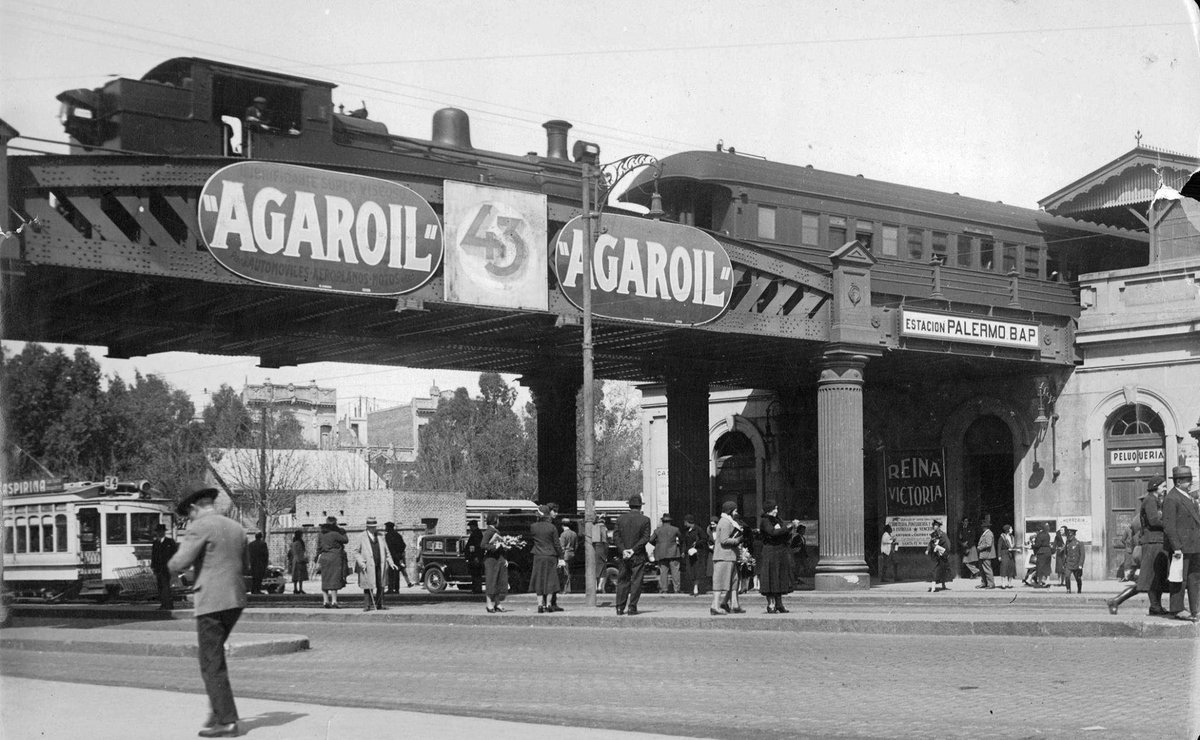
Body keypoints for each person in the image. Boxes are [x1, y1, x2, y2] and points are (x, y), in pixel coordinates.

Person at [167, 483, 247, 738]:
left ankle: (227, 720)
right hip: (235, 599)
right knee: (215, 659)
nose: (188, 519)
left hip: (211, 601)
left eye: (188, 514)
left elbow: (180, 561)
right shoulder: (237, 527)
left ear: (193, 508)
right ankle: (217, 711)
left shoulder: (200, 526)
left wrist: (173, 568)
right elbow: (242, 563)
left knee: (210, 662)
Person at [1107, 476, 1169, 615]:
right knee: (1146, 580)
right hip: (1152, 543)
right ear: (1155, 486)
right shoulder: (1150, 500)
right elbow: (1153, 521)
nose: (1165, 489)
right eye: (1163, 486)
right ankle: (1115, 601)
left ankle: (1155, 607)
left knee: (1154, 578)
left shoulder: (1154, 500)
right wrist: (1169, 524)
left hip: (1156, 542)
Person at [1161, 465, 1200, 622]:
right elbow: (1169, 526)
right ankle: (1177, 609)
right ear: (1178, 482)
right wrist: (1176, 547)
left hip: (1194, 545)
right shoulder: (1172, 498)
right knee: (1179, 579)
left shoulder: (1188, 497)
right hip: (1181, 548)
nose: (1190, 483)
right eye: (1187, 480)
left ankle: (1195, 609)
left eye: (1190, 479)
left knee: (1194, 578)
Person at [613, 494, 652, 616]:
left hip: (623, 556)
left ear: (629, 506)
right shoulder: (645, 520)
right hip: (638, 555)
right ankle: (632, 607)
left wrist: (624, 549)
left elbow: (616, 536)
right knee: (636, 581)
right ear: (640, 507)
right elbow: (645, 538)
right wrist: (633, 550)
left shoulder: (620, 519)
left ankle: (619, 607)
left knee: (622, 580)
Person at [757, 501, 797, 613]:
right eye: (774, 508)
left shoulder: (778, 519)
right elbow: (773, 532)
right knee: (771, 578)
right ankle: (771, 605)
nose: (776, 511)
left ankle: (779, 604)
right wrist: (788, 527)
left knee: (779, 577)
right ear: (769, 509)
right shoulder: (765, 521)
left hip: (780, 552)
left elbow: (783, 532)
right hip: (770, 552)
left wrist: (790, 529)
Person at [353, 516, 396, 611]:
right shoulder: (361, 537)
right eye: (371, 527)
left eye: (374, 527)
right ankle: (367, 605)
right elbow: (356, 552)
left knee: (381, 584)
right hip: (367, 564)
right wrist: (361, 562)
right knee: (368, 585)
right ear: (367, 527)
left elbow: (387, 551)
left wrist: (391, 562)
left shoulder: (381, 536)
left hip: (380, 563)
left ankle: (380, 604)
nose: (373, 528)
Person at [710, 501, 746, 614]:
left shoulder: (729, 521)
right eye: (735, 510)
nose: (736, 512)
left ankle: (734, 604)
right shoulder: (725, 522)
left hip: (729, 556)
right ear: (730, 511)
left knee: (733, 581)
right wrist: (738, 540)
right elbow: (724, 540)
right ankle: (715, 606)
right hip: (723, 556)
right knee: (720, 582)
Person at [528, 505, 565, 613]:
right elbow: (557, 544)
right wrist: (561, 557)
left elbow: (532, 540)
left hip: (538, 556)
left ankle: (540, 605)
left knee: (539, 580)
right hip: (550, 556)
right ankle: (549, 604)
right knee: (550, 580)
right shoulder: (552, 527)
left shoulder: (533, 527)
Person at [316, 516, 349, 609]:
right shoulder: (335, 534)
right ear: (334, 524)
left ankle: (325, 600)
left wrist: (317, 559)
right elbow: (346, 540)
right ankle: (334, 601)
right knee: (334, 579)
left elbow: (318, 547)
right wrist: (343, 532)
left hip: (324, 557)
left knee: (325, 579)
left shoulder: (321, 534)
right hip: (335, 557)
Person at [481, 513, 509, 613]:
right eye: (498, 519)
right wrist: (494, 547)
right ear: (495, 520)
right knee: (491, 582)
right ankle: (489, 604)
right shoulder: (489, 532)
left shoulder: (495, 531)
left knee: (497, 582)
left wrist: (504, 559)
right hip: (491, 561)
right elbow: (483, 545)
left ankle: (497, 603)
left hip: (497, 560)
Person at [650, 514, 682, 594]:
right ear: (670, 521)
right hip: (674, 552)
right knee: (675, 572)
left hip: (661, 553)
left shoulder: (657, 530)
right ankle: (676, 589)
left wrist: (658, 545)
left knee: (663, 572)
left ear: (662, 521)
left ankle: (664, 589)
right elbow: (681, 539)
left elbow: (650, 540)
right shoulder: (675, 529)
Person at [681, 513, 710, 596]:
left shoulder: (698, 530)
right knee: (690, 571)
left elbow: (704, 539)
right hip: (689, 554)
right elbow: (684, 542)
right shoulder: (686, 531)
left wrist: (696, 543)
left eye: (685, 522)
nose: (684, 523)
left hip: (697, 554)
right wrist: (683, 551)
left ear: (688, 522)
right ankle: (693, 587)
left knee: (696, 571)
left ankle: (696, 587)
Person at [150, 523, 177, 611]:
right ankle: (163, 604)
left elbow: (175, 554)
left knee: (166, 586)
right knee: (160, 586)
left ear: (164, 532)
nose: (160, 533)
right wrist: (153, 567)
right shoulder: (155, 543)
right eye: (159, 532)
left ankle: (168, 604)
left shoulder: (170, 541)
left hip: (167, 568)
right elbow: (153, 556)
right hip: (158, 568)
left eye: (162, 531)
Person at [383, 522, 414, 591]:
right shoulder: (398, 535)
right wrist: (399, 553)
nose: (385, 528)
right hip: (397, 557)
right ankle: (396, 588)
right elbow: (403, 545)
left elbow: (387, 547)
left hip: (391, 556)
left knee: (391, 573)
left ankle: (390, 588)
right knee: (396, 573)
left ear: (389, 527)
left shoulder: (388, 536)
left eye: (386, 527)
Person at [588, 514, 611, 592]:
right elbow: (605, 540)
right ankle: (600, 586)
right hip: (601, 548)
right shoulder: (603, 528)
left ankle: (594, 586)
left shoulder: (593, 528)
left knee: (594, 568)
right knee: (603, 568)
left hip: (594, 549)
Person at [556, 520, 578, 599]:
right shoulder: (574, 534)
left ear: (562, 526)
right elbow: (576, 545)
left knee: (565, 572)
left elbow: (562, 547)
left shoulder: (563, 534)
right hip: (572, 553)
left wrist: (560, 556)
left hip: (565, 554)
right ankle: (568, 588)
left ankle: (566, 589)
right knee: (569, 571)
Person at [926, 519, 951, 592]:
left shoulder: (943, 534)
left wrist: (947, 553)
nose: (934, 527)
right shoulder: (933, 534)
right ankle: (933, 587)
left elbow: (948, 544)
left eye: (936, 525)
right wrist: (927, 550)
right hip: (935, 556)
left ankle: (943, 584)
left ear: (939, 527)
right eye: (934, 525)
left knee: (943, 570)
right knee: (935, 570)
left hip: (943, 556)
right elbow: (930, 543)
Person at [975, 516, 996, 589]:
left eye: (983, 527)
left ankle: (991, 584)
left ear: (986, 527)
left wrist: (980, 547)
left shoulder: (988, 534)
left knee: (987, 569)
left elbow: (988, 544)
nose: (982, 528)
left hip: (986, 554)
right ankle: (984, 583)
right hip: (983, 554)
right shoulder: (985, 533)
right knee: (982, 569)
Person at [1063, 528, 1085, 593]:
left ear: (1074, 535)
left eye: (1071, 536)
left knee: (1078, 578)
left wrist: (1080, 565)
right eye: (1068, 536)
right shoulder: (1067, 543)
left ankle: (1079, 590)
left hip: (1076, 564)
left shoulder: (1079, 543)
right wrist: (1064, 563)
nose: (1069, 537)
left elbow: (1082, 555)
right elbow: (1065, 553)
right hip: (1069, 563)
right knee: (1067, 576)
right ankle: (1068, 590)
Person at [465, 520, 484, 594]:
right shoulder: (476, 533)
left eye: (471, 526)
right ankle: (476, 589)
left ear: (474, 526)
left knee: (476, 573)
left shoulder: (476, 534)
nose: (470, 528)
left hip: (475, 557)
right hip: (474, 556)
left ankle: (477, 589)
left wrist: (476, 557)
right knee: (475, 573)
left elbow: (477, 546)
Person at [286, 530, 308, 594]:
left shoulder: (293, 543)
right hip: (299, 560)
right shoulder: (298, 543)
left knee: (296, 575)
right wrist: (302, 559)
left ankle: (295, 588)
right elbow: (298, 552)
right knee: (300, 575)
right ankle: (300, 589)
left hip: (295, 560)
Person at [998, 524, 1018, 589]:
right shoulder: (1002, 537)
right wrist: (999, 556)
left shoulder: (1012, 537)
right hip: (1004, 554)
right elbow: (999, 547)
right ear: (1008, 530)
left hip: (1011, 555)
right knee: (1004, 568)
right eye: (1011, 528)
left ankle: (1009, 584)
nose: (1012, 530)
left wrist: (1016, 549)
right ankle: (1003, 584)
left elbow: (1013, 546)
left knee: (1011, 568)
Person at [1033, 522, 1053, 588]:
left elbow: (1037, 545)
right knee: (1047, 567)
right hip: (1048, 551)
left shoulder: (1039, 535)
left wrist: (1033, 545)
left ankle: (1039, 582)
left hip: (1041, 552)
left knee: (1040, 567)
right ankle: (1047, 581)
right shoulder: (1048, 534)